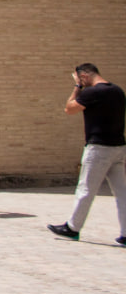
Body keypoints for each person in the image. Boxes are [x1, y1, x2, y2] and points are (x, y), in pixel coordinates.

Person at [47, 63, 126, 246]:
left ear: (84, 76)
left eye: (80, 79)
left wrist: (77, 87)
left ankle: (72, 228)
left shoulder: (92, 92)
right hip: (119, 147)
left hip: (98, 148)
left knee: (86, 189)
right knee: (122, 192)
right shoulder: (118, 91)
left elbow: (69, 108)